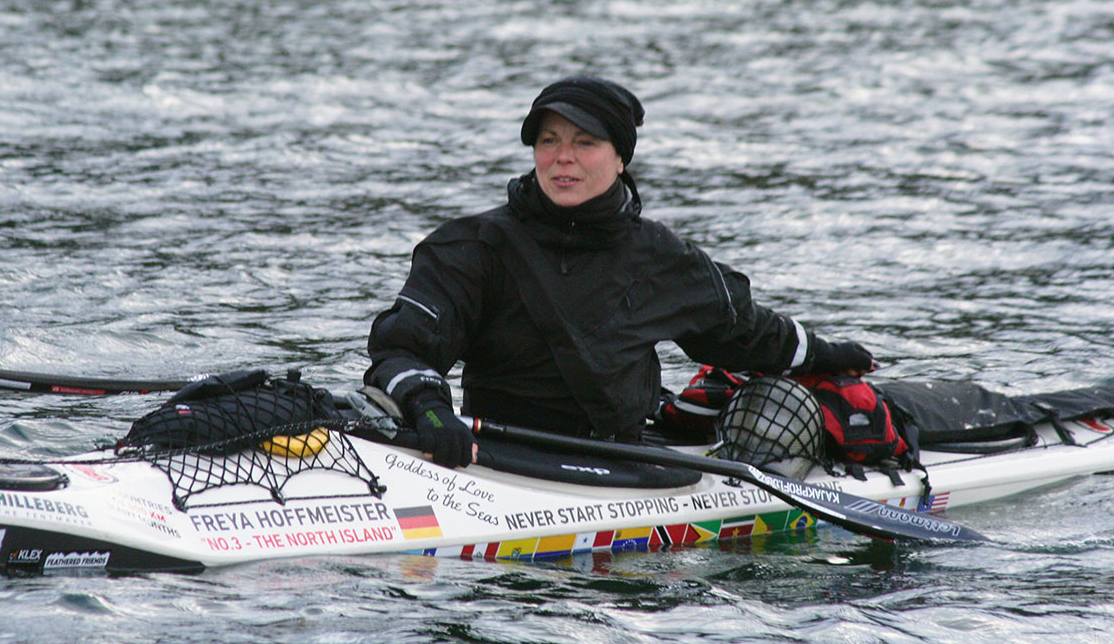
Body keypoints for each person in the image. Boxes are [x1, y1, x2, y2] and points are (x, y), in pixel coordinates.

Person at [364, 77, 874, 468]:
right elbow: (401, 349)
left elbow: (747, 334)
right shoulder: (470, 247)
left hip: (622, 469)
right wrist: (428, 410)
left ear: (620, 158)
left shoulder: (661, 257)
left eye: (584, 142)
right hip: (497, 462)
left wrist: (828, 355)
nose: (562, 158)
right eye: (548, 141)